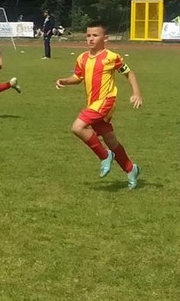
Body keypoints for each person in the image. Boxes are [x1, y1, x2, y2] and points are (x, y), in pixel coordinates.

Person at [55, 21, 142, 189]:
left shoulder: (111, 57)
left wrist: (136, 93)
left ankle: (104, 156)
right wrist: (64, 81)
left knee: (77, 127)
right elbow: (78, 77)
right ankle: (131, 169)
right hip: (93, 104)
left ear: (105, 38)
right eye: (88, 35)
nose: (91, 39)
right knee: (111, 141)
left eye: (95, 35)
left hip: (106, 101)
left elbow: (129, 73)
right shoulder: (82, 58)